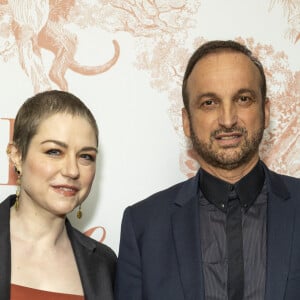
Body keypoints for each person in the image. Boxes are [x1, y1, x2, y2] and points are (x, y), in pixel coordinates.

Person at [115, 40, 300, 300]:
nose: (227, 119)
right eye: (209, 103)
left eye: (243, 99)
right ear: (186, 122)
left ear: (265, 111)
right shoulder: (144, 226)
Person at [2, 90, 116, 299]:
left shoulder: (104, 265)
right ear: (17, 156)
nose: (72, 170)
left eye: (86, 156)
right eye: (54, 151)